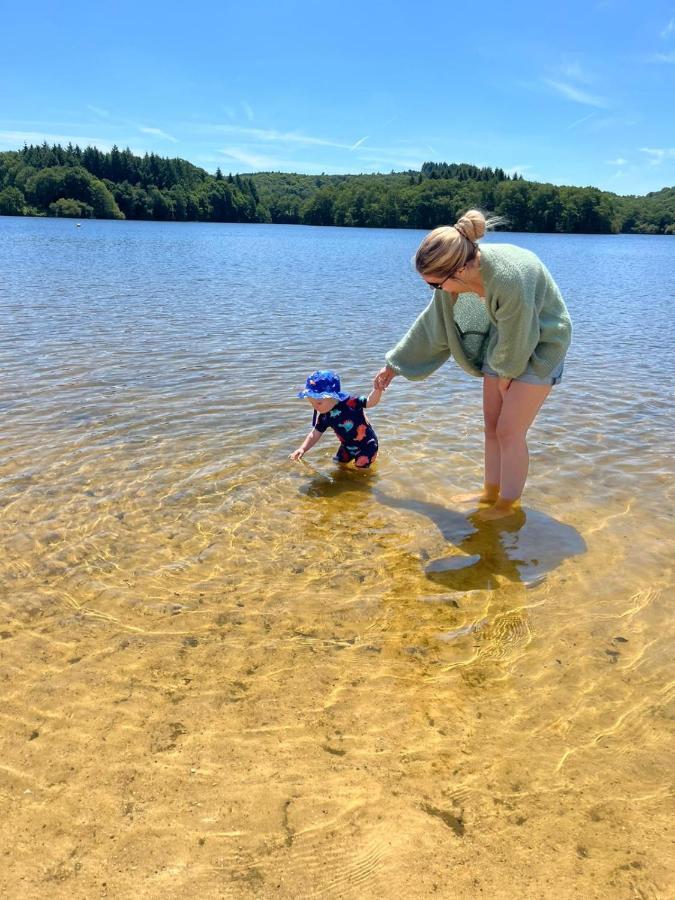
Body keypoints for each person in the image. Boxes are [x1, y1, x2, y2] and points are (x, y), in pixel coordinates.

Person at [375, 209, 572, 521]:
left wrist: (506, 377)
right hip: (504, 342)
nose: (435, 291)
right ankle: (490, 493)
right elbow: (433, 323)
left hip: (542, 341)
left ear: (458, 272)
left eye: (434, 285)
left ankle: (508, 505)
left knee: (509, 431)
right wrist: (395, 364)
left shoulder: (508, 278)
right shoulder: (455, 275)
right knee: (491, 427)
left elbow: (523, 332)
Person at [290, 370, 382, 468]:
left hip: (367, 444)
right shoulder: (324, 416)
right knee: (338, 464)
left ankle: (371, 457)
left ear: (333, 396)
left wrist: (377, 389)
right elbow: (315, 434)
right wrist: (302, 449)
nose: (316, 407)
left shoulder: (352, 402)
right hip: (347, 446)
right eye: (312, 403)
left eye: (319, 403)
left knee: (360, 471)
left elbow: (370, 402)